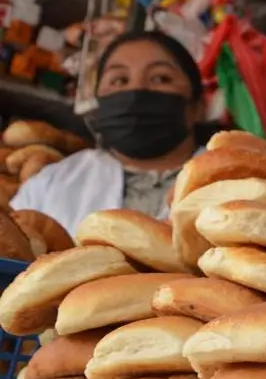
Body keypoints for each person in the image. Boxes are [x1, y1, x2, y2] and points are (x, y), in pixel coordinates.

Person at [12, 30, 206, 233]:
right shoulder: (49, 185)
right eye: (119, 80)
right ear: (98, 105)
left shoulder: (235, 181)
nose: (136, 91)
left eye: (161, 78)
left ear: (198, 107)